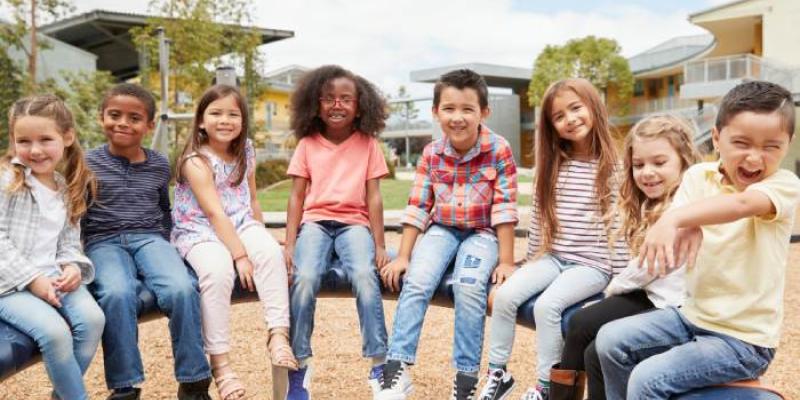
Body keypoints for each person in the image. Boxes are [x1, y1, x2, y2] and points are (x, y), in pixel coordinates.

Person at [596, 80, 800, 399]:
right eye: (742, 143)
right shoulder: (698, 177)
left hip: (743, 341)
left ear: (788, 143)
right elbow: (677, 232)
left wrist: (678, 218)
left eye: (771, 146)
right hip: (691, 316)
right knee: (609, 340)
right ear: (717, 138)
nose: (754, 158)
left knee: (646, 380)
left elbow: (742, 205)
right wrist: (684, 223)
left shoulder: (784, 185)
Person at [478, 78, 629, 400]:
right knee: (504, 297)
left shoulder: (615, 168)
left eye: (576, 108)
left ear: (593, 107)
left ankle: (546, 386)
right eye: (559, 116)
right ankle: (498, 375)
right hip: (553, 257)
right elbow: (539, 217)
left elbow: (619, 226)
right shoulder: (554, 165)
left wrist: (617, 284)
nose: (570, 119)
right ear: (551, 126)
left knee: (547, 306)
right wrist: (528, 261)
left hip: (592, 266)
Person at [378, 68, 518, 400]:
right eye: (449, 109)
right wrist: (403, 256)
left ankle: (466, 380)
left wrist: (508, 261)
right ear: (436, 112)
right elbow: (417, 205)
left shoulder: (498, 149)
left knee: (469, 286)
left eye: (467, 109)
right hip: (442, 229)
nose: (458, 117)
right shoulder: (431, 153)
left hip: (482, 233)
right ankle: (396, 368)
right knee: (418, 279)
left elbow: (505, 208)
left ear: (484, 112)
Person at [546, 114, 700, 400]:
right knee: (580, 324)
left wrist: (611, 290)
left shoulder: (683, 207)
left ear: (684, 160)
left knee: (591, 343)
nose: (647, 172)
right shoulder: (653, 202)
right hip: (653, 292)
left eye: (659, 162)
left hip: (670, 303)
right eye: (638, 165)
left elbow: (647, 267)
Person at [83, 83, 212, 400]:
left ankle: (194, 382)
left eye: (134, 118)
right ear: (102, 118)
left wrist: (168, 248)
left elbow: (163, 208)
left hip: (150, 238)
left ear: (149, 125)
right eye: (114, 115)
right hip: (103, 241)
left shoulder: (158, 164)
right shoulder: (86, 163)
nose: (123, 123)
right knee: (116, 293)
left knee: (181, 288)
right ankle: (125, 387)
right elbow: (77, 213)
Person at [172, 84, 296, 400]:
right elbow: (213, 212)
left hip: (240, 222)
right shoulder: (196, 159)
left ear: (242, 120)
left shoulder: (246, 150)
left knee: (269, 254)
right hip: (200, 230)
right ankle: (222, 366)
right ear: (201, 120)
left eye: (232, 114)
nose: (224, 120)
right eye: (215, 113)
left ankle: (278, 335)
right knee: (217, 272)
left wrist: (261, 235)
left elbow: (251, 198)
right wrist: (240, 256)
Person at [283, 65, 392, 400]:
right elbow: (297, 196)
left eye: (346, 99)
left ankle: (379, 364)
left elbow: (373, 196)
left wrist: (380, 244)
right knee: (304, 279)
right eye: (329, 98)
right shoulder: (307, 144)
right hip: (315, 222)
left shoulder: (368, 144)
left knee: (363, 274)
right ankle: (299, 368)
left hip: (354, 224)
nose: (337, 105)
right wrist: (289, 244)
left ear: (360, 106)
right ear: (316, 104)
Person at [0, 94, 104, 400]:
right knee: (56, 333)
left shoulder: (64, 185)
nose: (34, 150)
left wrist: (73, 267)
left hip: (52, 276)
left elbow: (68, 242)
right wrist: (33, 280)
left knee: (94, 320)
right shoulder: (8, 180)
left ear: (67, 137)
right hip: (10, 284)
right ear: (13, 141)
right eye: (24, 141)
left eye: (45, 139)